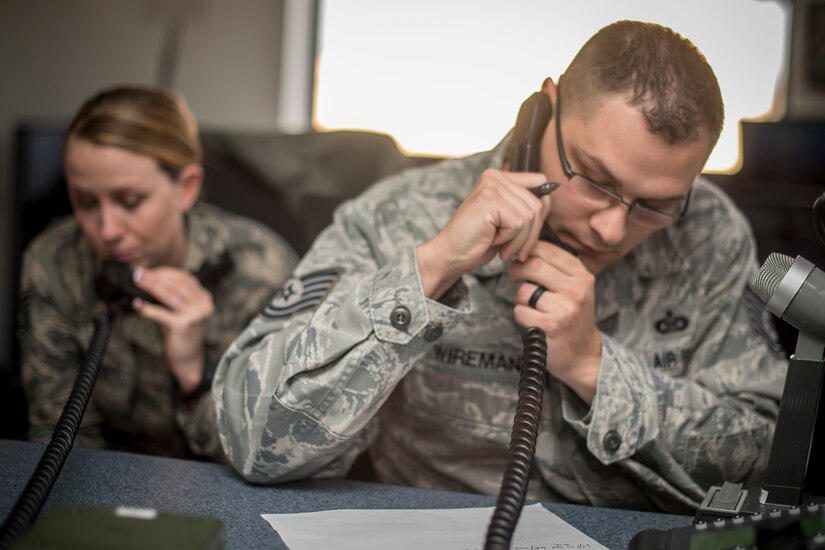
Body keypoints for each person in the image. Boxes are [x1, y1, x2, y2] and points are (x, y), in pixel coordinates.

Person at [213, 21, 787, 512]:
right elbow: (253, 438)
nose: (612, 228)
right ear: (546, 108)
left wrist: (594, 366)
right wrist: (431, 270)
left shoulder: (710, 234)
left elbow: (765, 459)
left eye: (657, 205)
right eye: (595, 179)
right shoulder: (399, 216)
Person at [19, 85, 298, 460]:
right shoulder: (54, 263)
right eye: (85, 203)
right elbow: (56, 435)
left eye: (130, 202)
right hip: (101, 487)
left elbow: (276, 454)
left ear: (186, 189)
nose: (107, 231)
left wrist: (194, 375)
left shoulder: (263, 272)